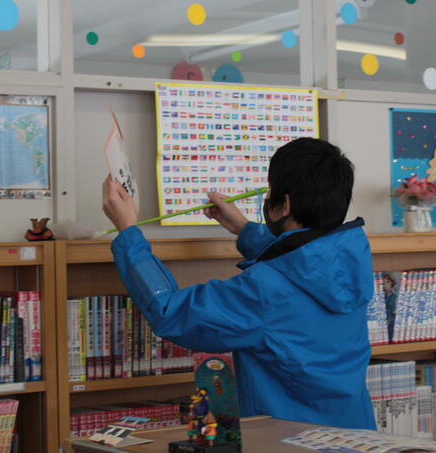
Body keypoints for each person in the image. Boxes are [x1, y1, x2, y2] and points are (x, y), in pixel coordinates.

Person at [102, 137, 375, 429]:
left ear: (284, 205)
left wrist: (128, 232)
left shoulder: (264, 290)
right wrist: (243, 228)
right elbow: (301, 260)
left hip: (291, 439)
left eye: (270, 190)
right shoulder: (350, 261)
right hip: (355, 435)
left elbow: (170, 311)